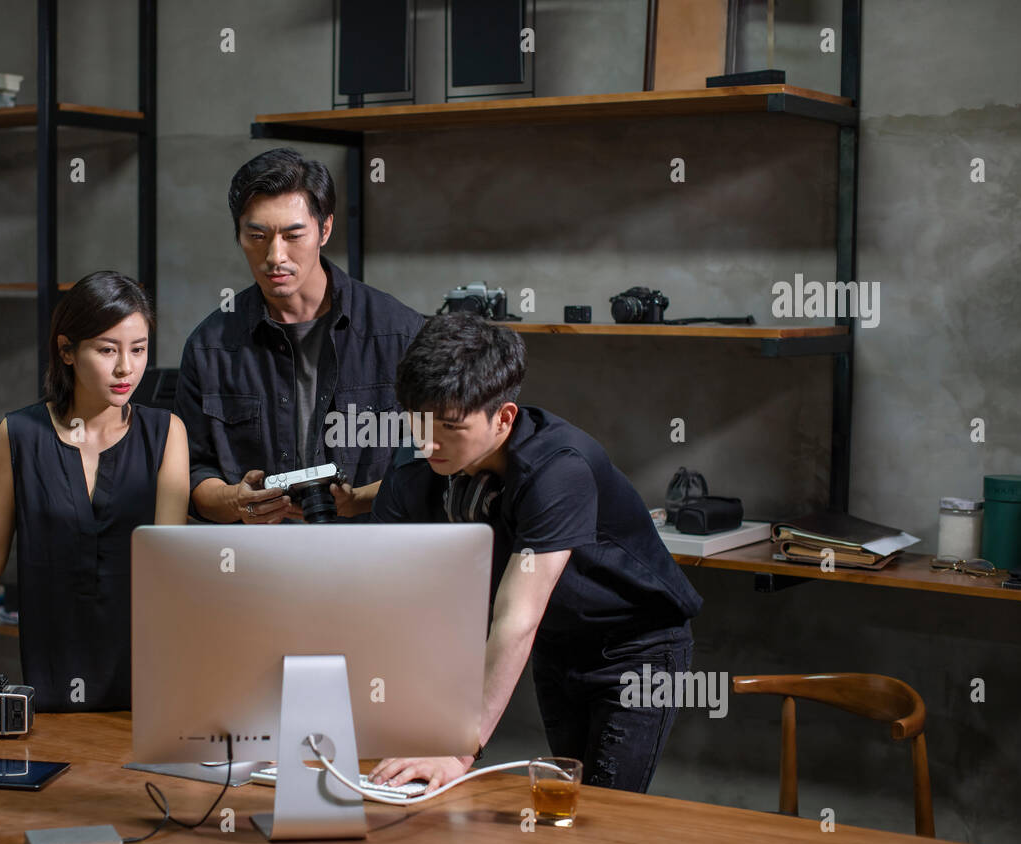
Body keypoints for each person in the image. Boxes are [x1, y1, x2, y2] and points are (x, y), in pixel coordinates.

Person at [367, 313, 703, 792]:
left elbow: (517, 617)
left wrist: (458, 749)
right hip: (558, 642)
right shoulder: (428, 463)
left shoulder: (559, 469)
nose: (427, 441)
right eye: (418, 422)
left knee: (607, 806)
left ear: (503, 418)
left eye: (450, 426)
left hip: (637, 648)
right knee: (567, 796)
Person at [0, 271, 190, 714]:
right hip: (51, 678)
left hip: (147, 682)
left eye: (138, 349)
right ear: (67, 350)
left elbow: (167, 569)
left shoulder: (167, 434)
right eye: (107, 349)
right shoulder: (19, 435)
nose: (126, 368)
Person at [175, 147, 425, 524]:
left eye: (293, 235)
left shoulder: (399, 333)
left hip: (369, 548)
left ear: (325, 229)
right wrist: (235, 501)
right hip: (255, 551)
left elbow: (433, 459)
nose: (275, 256)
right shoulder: (209, 346)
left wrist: (358, 500)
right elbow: (192, 473)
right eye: (257, 235)